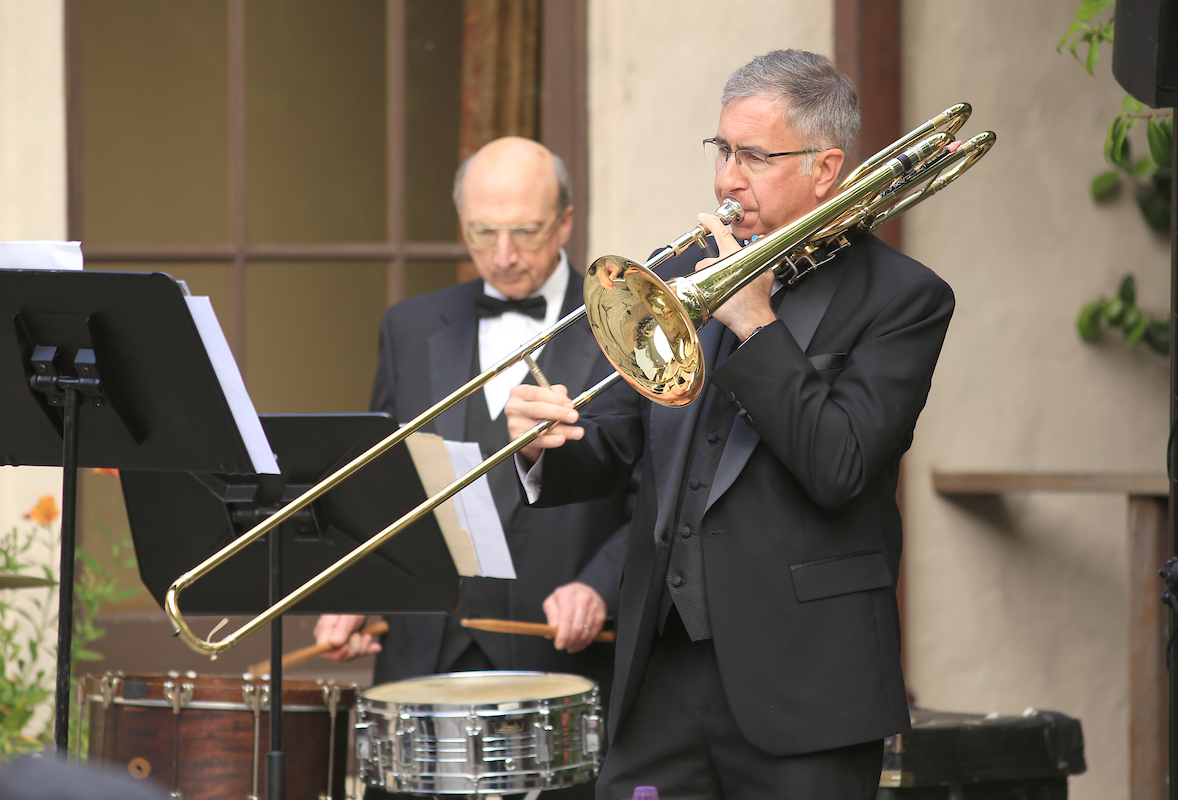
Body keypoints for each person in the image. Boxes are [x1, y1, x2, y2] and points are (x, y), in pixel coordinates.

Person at [504, 50, 956, 800]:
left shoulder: (904, 298)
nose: (726, 180)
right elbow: (615, 442)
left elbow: (840, 464)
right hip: (661, 676)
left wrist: (757, 325)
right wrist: (541, 443)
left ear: (825, 167)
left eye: (753, 156)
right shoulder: (685, 272)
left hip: (807, 689)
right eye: (722, 151)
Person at [314, 136, 636, 799]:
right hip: (418, 662)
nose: (503, 255)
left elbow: (657, 495)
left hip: (560, 667)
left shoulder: (622, 330)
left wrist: (600, 587)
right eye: (482, 233)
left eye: (525, 232)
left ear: (565, 223)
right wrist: (357, 591)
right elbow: (383, 483)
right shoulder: (408, 327)